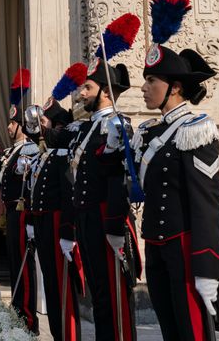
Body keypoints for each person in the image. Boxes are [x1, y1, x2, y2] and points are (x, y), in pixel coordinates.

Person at [132, 0, 219, 340]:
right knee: (171, 331)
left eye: (151, 81)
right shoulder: (149, 132)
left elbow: (207, 204)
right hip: (155, 246)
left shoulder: (195, 130)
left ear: (175, 87)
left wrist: (208, 268)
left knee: (191, 333)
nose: (143, 87)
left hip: (185, 252)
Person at [69, 57, 140, 341]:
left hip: (107, 220)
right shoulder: (86, 128)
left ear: (106, 91)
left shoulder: (119, 125)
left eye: (87, 87)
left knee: (114, 294)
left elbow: (119, 179)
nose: (81, 93)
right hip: (87, 218)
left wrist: (113, 225)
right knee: (99, 293)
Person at [25, 98, 82, 341]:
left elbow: (70, 196)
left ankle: (68, 336)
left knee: (61, 287)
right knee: (50, 282)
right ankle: (58, 334)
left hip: (58, 224)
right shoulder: (43, 155)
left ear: (57, 125)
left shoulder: (62, 156)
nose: (39, 128)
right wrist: (31, 221)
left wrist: (68, 232)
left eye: (44, 122)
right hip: (43, 224)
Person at [0, 103, 39, 334]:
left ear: (22, 127)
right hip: (13, 212)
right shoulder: (13, 150)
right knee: (15, 262)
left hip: (24, 212)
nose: (8, 127)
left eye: (13, 123)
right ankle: (18, 310)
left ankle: (27, 318)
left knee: (24, 266)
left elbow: (30, 185)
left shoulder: (30, 150)